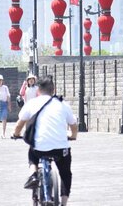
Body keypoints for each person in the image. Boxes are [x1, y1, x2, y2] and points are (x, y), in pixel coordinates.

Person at [13, 75, 77, 206]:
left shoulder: (32, 103)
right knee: (65, 173)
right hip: (61, 148)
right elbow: (73, 125)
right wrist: (73, 135)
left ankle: (33, 175)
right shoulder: (63, 104)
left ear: (38, 90)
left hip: (39, 148)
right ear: (53, 90)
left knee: (32, 154)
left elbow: (19, 124)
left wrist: (15, 134)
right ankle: (63, 203)